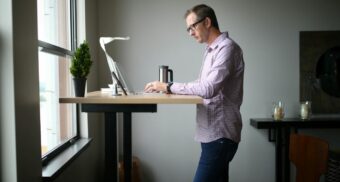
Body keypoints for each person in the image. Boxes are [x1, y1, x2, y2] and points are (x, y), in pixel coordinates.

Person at [144, 4, 244, 182]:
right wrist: (168, 87)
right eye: (188, 29)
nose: (190, 33)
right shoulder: (211, 50)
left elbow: (208, 89)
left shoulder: (227, 48)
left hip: (220, 135)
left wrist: (168, 87)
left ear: (207, 22)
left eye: (192, 27)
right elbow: (201, 84)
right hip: (212, 135)